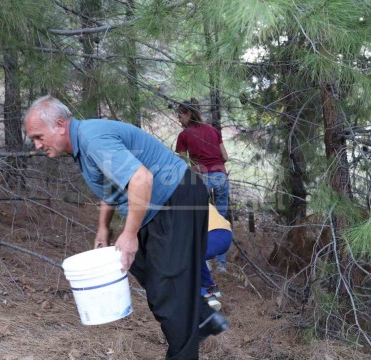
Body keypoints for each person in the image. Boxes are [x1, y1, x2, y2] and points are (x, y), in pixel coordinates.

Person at [24, 95, 228, 359]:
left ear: (60, 125)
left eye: (39, 137)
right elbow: (112, 186)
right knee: (147, 274)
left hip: (176, 198)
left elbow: (141, 178)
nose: (37, 145)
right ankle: (203, 317)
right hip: (157, 206)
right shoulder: (83, 145)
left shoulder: (92, 139)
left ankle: (186, 346)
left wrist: (130, 233)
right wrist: (103, 228)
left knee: (168, 291)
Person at [175, 99, 230, 271]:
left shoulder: (184, 135)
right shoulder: (213, 130)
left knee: (200, 218)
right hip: (221, 175)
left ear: (188, 114)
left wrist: (195, 167)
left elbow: (182, 163)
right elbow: (225, 157)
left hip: (202, 177)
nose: (178, 119)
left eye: (180, 115)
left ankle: (205, 258)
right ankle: (222, 263)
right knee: (221, 217)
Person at [201, 203, 232, 311]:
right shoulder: (201, 199)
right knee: (196, 258)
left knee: (186, 259)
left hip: (211, 235)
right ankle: (211, 287)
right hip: (226, 234)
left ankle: (206, 296)